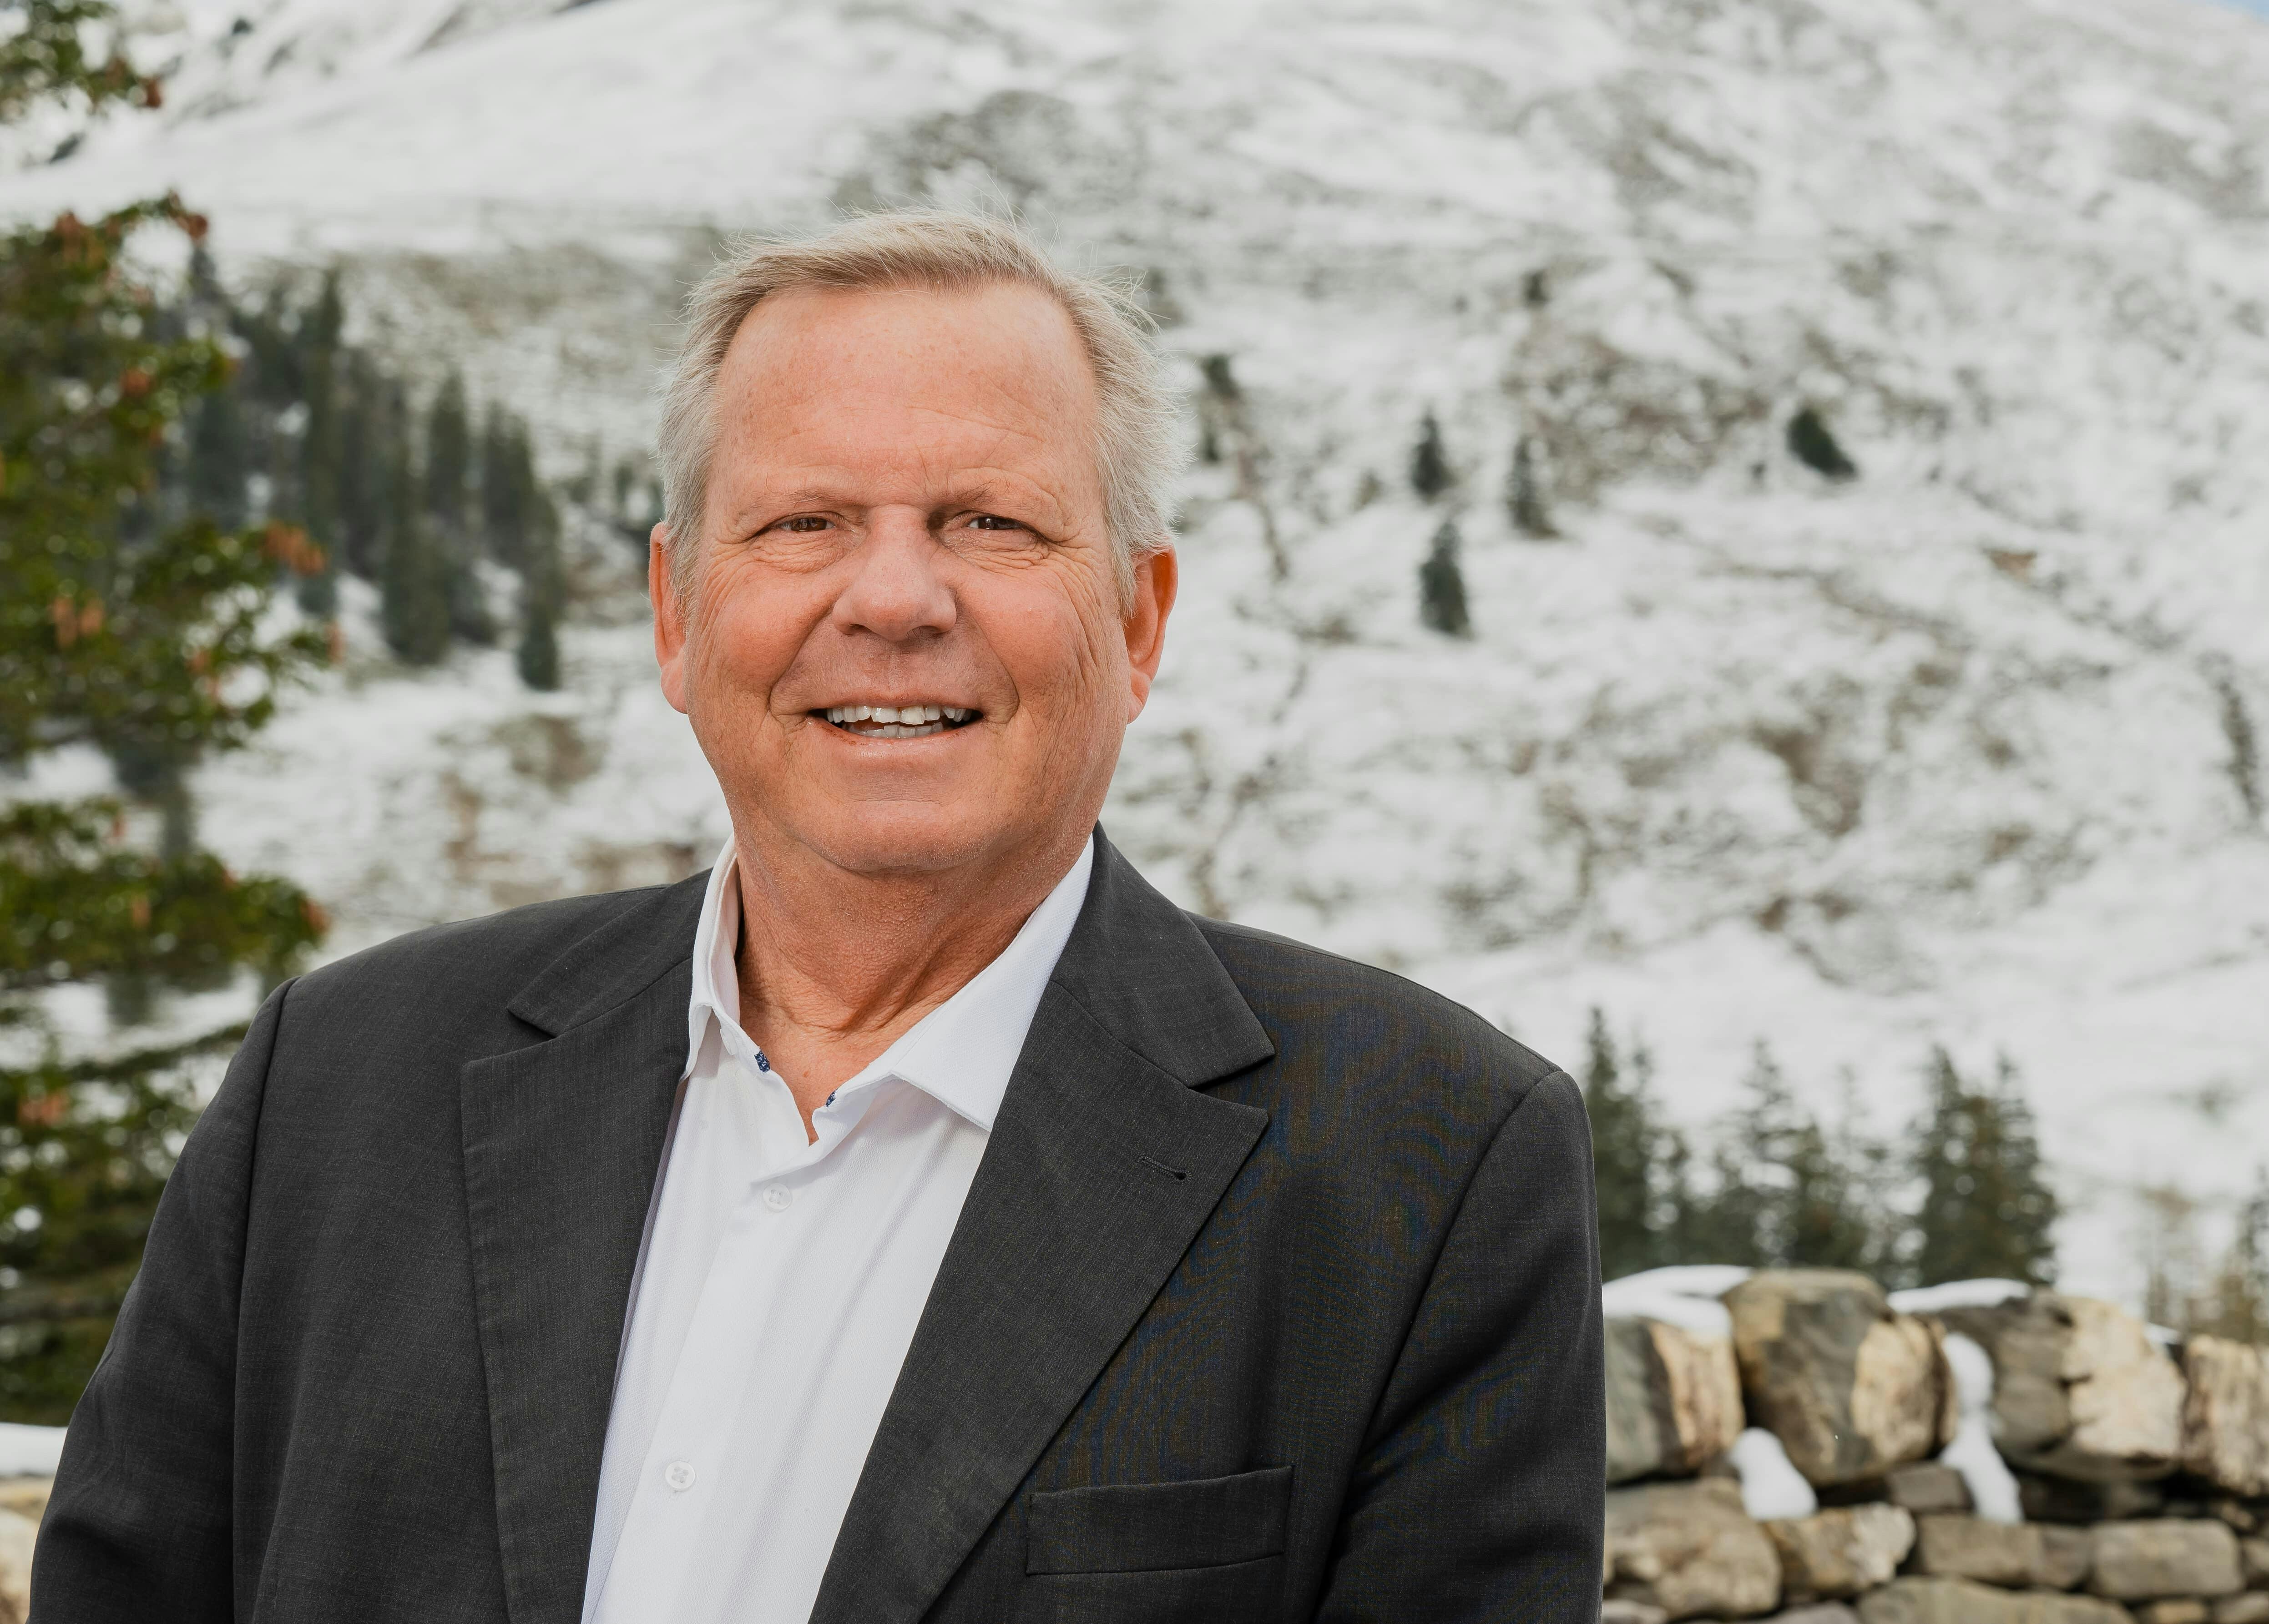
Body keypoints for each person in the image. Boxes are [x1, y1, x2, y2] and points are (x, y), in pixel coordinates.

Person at [34, 212, 1605, 1622]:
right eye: (803, 524)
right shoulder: (340, 1080)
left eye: (991, 522)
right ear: (676, 609)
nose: (896, 598)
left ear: (1137, 621)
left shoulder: (1429, 1165)